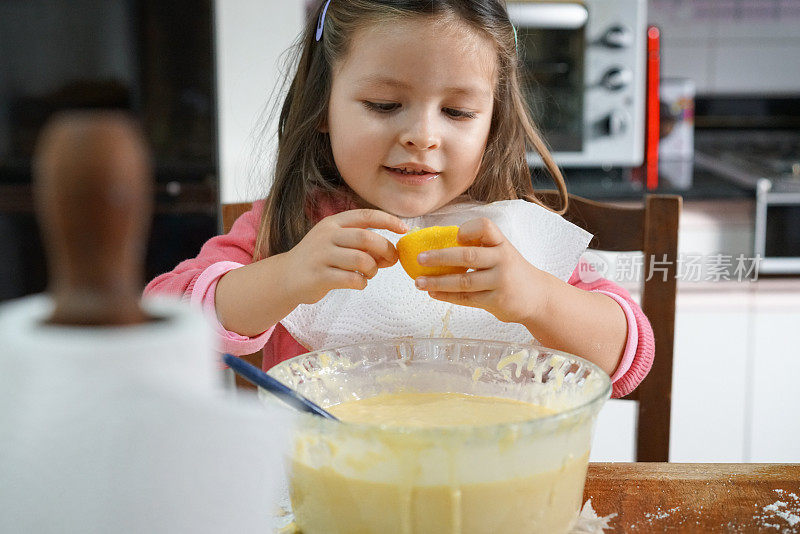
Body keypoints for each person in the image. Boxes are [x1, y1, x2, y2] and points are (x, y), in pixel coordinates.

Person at [145, 0, 653, 399]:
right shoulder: (292, 226)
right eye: (385, 105)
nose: (423, 136)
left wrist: (538, 298)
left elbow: (630, 355)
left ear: (493, 121)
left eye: (457, 112)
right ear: (323, 105)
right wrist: (285, 277)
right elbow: (163, 327)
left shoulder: (515, 236)